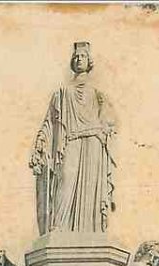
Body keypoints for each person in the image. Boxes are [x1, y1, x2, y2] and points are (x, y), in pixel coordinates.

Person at [29, 42, 116, 235]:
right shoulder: (61, 93)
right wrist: (41, 142)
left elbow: (109, 122)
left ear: (89, 61)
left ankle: (92, 230)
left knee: (91, 187)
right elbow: (49, 122)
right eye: (76, 57)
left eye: (82, 56)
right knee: (65, 180)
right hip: (71, 141)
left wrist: (106, 129)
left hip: (93, 142)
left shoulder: (97, 94)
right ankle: (59, 225)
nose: (78, 59)